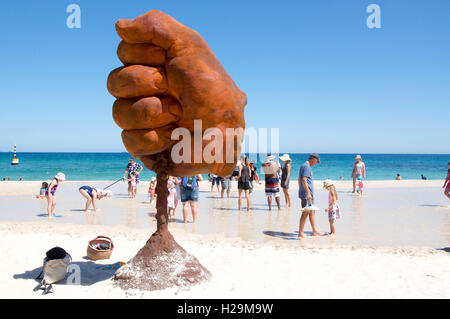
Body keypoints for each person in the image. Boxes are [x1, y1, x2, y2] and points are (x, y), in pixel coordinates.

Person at [298, 153, 321, 237]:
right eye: (317, 161)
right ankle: (300, 233)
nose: (317, 163)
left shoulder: (304, 166)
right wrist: (307, 193)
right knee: (306, 212)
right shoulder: (307, 167)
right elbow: (304, 180)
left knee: (311, 212)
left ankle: (315, 231)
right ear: (313, 159)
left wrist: (301, 189)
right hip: (307, 194)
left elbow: (299, 179)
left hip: (306, 193)